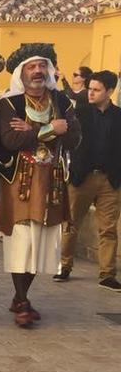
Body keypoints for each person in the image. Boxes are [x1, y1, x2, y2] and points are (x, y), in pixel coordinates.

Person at [0, 43, 81, 327]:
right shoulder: (10, 103)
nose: (38, 71)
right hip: (20, 181)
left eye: (42, 66)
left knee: (40, 243)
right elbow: (11, 141)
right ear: (22, 72)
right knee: (22, 241)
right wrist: (48, 130)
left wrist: (34, 132)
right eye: (32, 67)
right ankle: (22, 301)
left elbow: (74, 137)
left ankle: (21, 296)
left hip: (51, 181)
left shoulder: (61, 100)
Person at [58, 70, 121, 291]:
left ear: (110, 91)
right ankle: (64, 266)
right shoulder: (79, 113)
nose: (91, 93)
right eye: (90, 89)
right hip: (81, 177)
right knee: (71, 223)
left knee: (108, 228)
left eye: (96, 90)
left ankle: (107, 274)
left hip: (110, 180)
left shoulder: (119, 115)